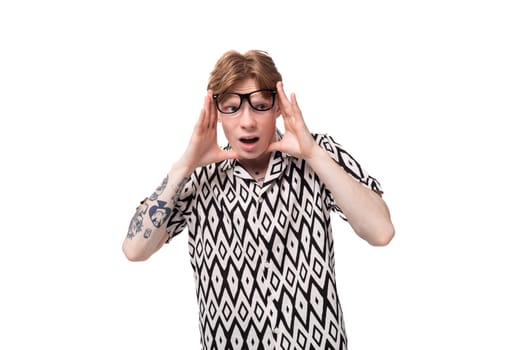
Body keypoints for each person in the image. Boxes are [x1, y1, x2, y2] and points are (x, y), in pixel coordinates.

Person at [123, 49, 395, 350]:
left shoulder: (318, 154)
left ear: (277, 107)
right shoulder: (196, 177)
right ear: (217, 114)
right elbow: (135, 250)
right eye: (232, 108)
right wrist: (184, 166)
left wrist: (314, 154)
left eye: (261, 106)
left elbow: (381, 232)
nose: (248, 121)